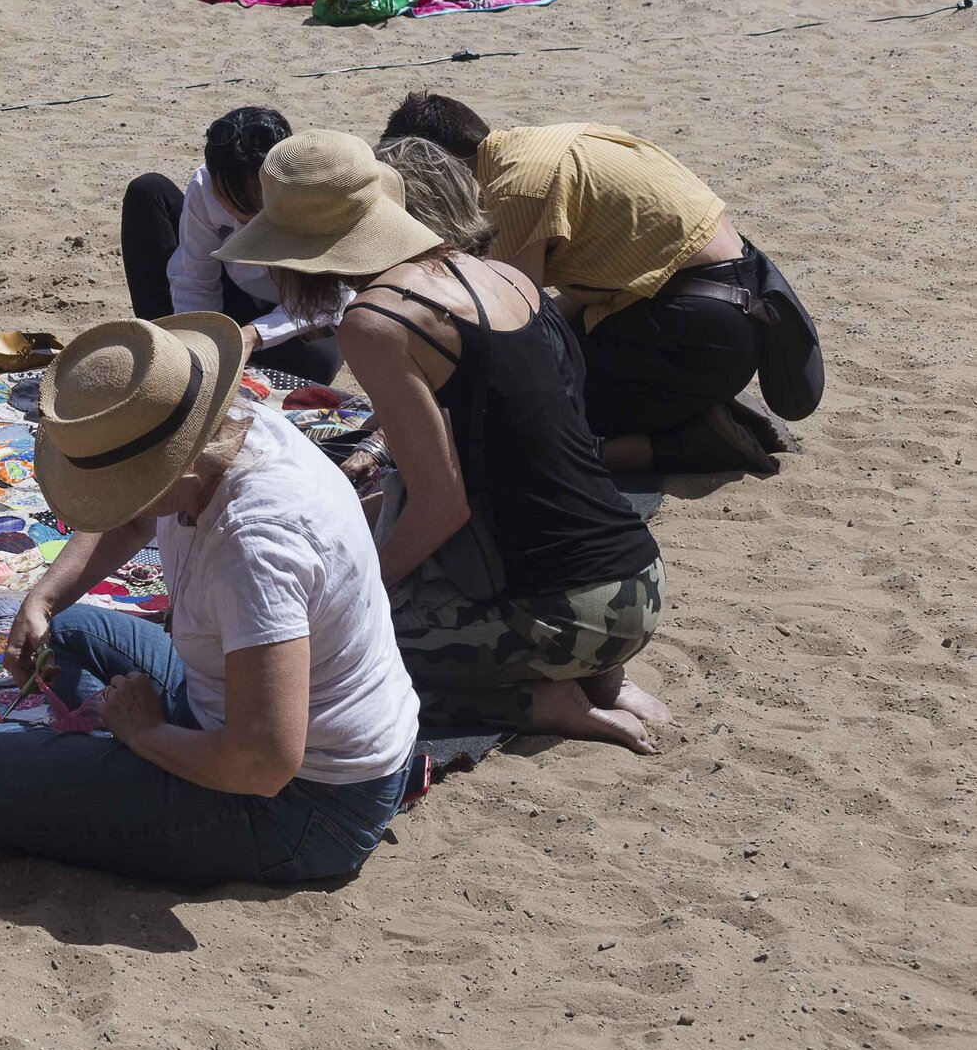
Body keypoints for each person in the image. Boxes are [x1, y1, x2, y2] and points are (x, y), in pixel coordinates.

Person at [0, 314, 421, 884]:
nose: (105, 504)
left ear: (167, 470)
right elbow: (130, 521)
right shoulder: (234, 430)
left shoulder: (255, 546)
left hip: (303, 805)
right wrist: (42, 600)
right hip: (245, 726)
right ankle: (118, 755)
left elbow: (264, 762)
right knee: (64, 629)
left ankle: (126, 760)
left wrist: (145, 734)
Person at [216, 131, 672, 753]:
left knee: (322, 656)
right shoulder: (506, 277)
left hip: (568, 613)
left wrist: (356, 594)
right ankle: (602, 681)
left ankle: (539, 701)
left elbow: (442, 506)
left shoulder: (378, 321)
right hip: (640, 581)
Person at [381, 93, 783, 475]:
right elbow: (578, 291)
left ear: (440, 165)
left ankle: (690, 441)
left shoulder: (515, 189)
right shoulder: (546, 143)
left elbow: (508, 323)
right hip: (739, 305)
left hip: (700, 336)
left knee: (511, 420)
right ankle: (691, 402)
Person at [121, 107, 343, 383]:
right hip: (235, 294)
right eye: (230, 196)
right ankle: (168, 352)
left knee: (318, 362)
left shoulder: (311, 193)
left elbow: (330, 301)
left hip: (293, 312)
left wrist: (254, 335)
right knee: (147, 190)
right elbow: (194, 278)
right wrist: (199, 340)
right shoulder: (206, 184)